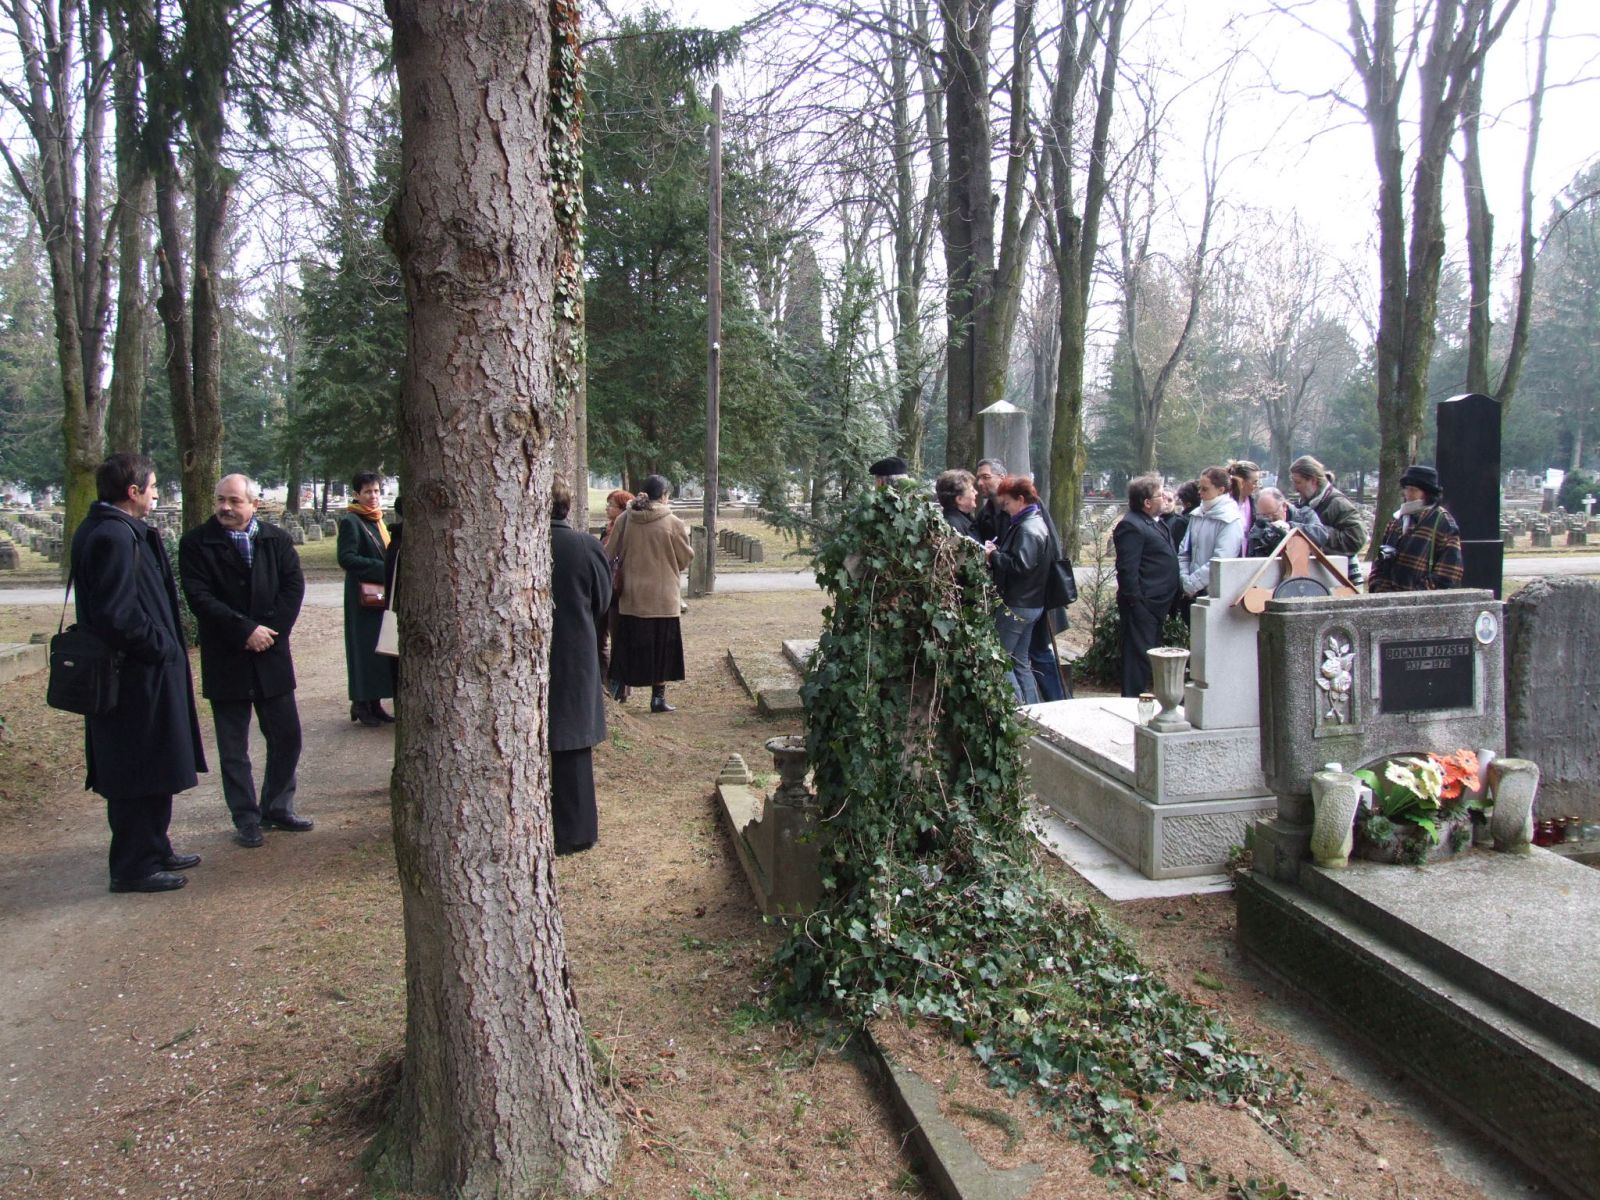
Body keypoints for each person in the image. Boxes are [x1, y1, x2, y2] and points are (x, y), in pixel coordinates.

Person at [71, 453, 206, 893]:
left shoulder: (120, 529)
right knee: (135, 768)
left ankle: (155, 846)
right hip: (132, 677)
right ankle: (133, 866)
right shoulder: (112, 535)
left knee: (156, 762)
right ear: (133, 492)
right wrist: (159, 646)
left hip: (146, 672)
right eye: (152, 487)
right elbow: (118, 614)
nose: (156, 494)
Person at [179, 474, 311, 848]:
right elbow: (199, 596)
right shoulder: (196, 543)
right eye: (221, 499)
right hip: (227, 656)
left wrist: (270, 632)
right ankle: (246, 817)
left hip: (271, 654)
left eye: (235, 501)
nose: (226, 507)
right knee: (233, 748)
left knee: (287, 737)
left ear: (254, 504)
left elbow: (293, 587)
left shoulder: (276, 540)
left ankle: (277, 806)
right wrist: (244, 630)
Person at [549, 476, 611, 855]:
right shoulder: (583, 546)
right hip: (572, 652)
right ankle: (575, 831)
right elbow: (602, 600)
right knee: (571, 743)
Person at [608, 474, 694, 712]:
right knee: (662, 649)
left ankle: (616, 692)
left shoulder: (625, 518)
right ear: (664, 496)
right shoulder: (673, 522)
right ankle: (658, 698)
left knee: (627, 646)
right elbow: (684, 559)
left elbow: (610, 552)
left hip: (632, 595)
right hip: (663, 597)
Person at [982, 475, 1051, 705]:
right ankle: (1033, 710)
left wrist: (993, 556)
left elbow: (1020, 566)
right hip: (1031, 603)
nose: (1005, 509)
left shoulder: (1027, 528)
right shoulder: (1032, 522)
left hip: (1017, 604)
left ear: (1021, 500)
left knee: (1001, 659)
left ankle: (1017, 710)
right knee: (1020, 660)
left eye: (1007, 503)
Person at [1112, 474, 1181, 698]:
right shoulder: (1131, 525)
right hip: (1143, 605)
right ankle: (1132, 702)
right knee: (1137, 660)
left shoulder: (1154, 522)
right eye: (1160, 495)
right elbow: (1127, 570)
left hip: (1158, 603)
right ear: (1147, 502)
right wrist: (1137, 603)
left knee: (1147, 657)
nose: (1166, 498)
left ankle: (1144, 699)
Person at [337, 471, 396, 726]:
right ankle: (361, 703)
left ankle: (375, 703)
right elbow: (346, 558)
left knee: (378, 651)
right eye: (367, 492)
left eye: (376, 491)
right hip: (362, 596)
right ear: (356, 494)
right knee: (363, 649)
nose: (373, 496)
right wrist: (382, 567)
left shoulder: (377, 520)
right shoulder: (352, 521)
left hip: (379, 594)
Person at [1368, 464, 1465, 592]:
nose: (1408, 494)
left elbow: (1449, 572)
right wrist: (1378, 587)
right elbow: (1380, 561)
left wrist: (1417, 595)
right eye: (1406, 489)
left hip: (1422, 600)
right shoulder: (1397, 519)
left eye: (1413, 490)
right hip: (1388, 598)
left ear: (1427, 493)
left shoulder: (1442, 522)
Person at [1288, 455, 1368, 580]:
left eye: (1298, 482)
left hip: (1340, 577)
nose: (1295, 488)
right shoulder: (1305, 503)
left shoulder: (1338, 503)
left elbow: (1357, 539)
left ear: (1313, 480)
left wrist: (1318, 533)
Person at [1178, 465, 1245, 600]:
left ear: (1221, 490)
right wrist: (1185, 579)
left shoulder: (1231, 519)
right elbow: (1184, 551)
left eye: (1205, 489)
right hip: (1190, 590)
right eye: (1199, 488)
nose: (1199, 493)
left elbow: (1221, 560)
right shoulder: (1196, 515)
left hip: (1214, 593)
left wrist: (1193, 584)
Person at [1245, 486, 1327, 557]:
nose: (1270, 519)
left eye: (1274, 515)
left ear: (1284, 506)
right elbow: (1253, 559)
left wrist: (1290, 528)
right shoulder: (1259, 526)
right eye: (1264, 515)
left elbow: (1322, 534)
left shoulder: (1305, 515)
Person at [935, 468, 980, 539]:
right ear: (959, 499)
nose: (976, 493)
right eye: (972, 490)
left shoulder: (964, 519)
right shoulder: (953, 528)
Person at [972, 458, 1006, 542]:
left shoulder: (1021, 508)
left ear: (1002, 478)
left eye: (985, 477)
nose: (979, 483)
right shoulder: (982, 516)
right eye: (978, 478)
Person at [1163, 480, 1199, 557]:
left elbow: (1176, 549)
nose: (1166, 503)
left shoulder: (1181, 521)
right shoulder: (1203, 518)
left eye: (1170, 500)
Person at [1228, 460, 1261, 531]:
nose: (1257, 486)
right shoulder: (1226, 502)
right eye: (1254, 482)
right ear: (1242, 482)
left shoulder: (1253, 503)